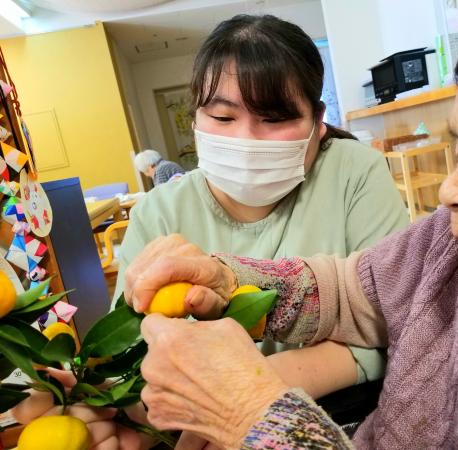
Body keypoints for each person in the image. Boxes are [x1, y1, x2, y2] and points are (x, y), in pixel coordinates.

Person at [125, 1, 458, 448]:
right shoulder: (447, 246)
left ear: (318, 124)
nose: (450, 190)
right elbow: (355, 291)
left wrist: (254, 416)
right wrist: (230, 279)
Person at [9, 13, 409, 450]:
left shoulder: (353, 173)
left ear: (318, 122)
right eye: (223, 116)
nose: (248, 139)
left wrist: (240, 397)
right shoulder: (160, 213)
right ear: (196, 118)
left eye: (274, 119)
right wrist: (109, 404)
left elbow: (396, 320)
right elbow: (133, 360)